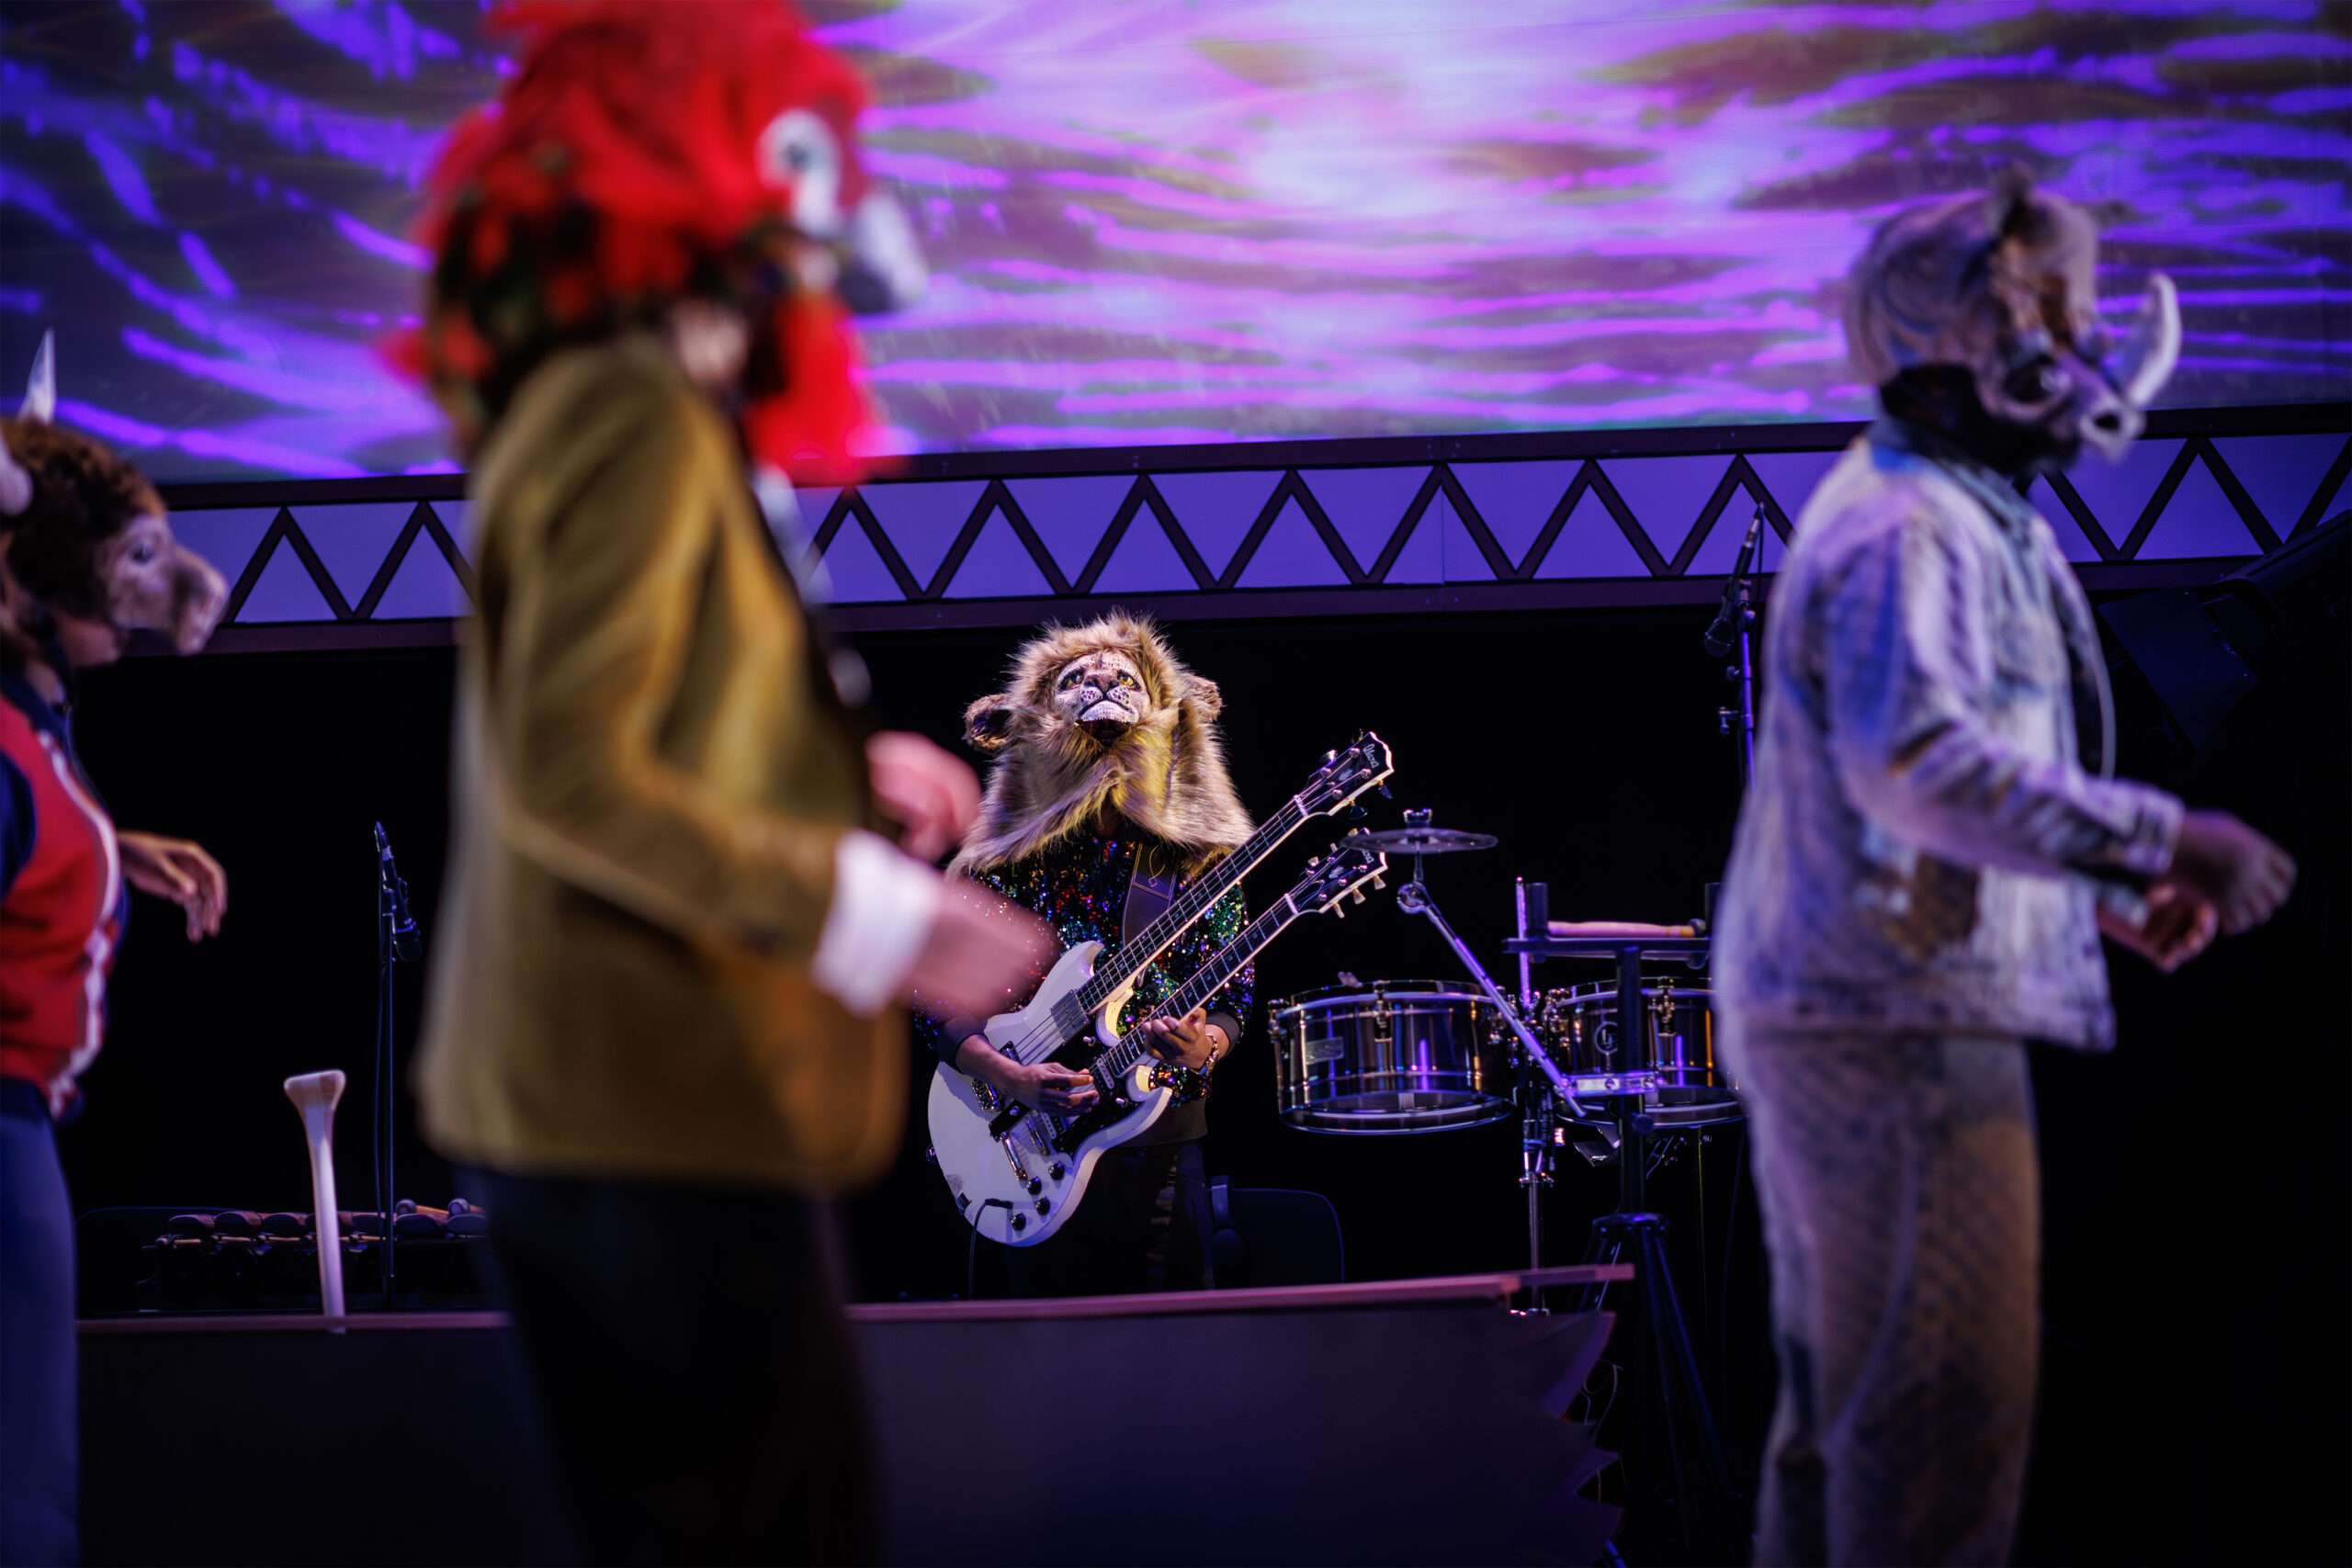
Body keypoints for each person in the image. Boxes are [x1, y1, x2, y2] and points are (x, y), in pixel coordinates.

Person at [395, 6, 1050, 1563]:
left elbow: (632, 729)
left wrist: (834, 776)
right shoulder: (629, 407)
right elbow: (570, 770)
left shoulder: (638, 407)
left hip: (639, 1114)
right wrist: (880, 915)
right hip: (639, 1112)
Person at [1713, 171, 2297, 1568]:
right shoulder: (1906, 526)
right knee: (1934, 1423)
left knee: (1889, 1426)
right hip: (1888, 1029)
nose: (2081, 357)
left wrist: (2097, 892)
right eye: (2050, 320)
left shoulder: (1958, 515)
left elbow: (1957, 781)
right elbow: (1915, 764)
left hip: (1898, 1011)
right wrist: (2163, 838)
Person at [0, 396, 230, 1567]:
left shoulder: (34, 723)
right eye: (126, 560)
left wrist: (107, 848)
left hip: (24, 1131)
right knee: (20, 1492)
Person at [937, 614, 1255, 1296]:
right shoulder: (1003, 862)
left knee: (1172, 1343)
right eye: (1080, 678)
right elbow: (937, 996)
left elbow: (1235, 998)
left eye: (1125, 678)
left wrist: (1203, 1047)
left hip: (1159, 1139)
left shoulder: (1198, 859)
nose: (1105, 683)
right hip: (1020, 1148)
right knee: (1044, 1347)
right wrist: (1006, 1074)